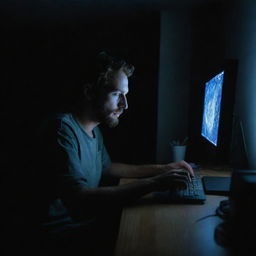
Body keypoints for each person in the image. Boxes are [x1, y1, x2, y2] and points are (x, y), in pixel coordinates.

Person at [18, 52, 194, 256]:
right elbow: (79, 199)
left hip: (82, 227)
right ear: (89, 92)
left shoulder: (93, 127)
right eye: (116, 94)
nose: (124, 105)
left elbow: (108, 167)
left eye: (125, 95)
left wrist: (163, 169)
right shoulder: (61, 130)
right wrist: (155, 183)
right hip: (58, 239)